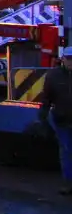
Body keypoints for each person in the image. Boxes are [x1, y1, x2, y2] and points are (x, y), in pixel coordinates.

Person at [37, 46, 72, 195]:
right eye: (69, 59)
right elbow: (47, 97)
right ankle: (68, 182)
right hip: (62, 119)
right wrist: (43, 114)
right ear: (63, 59)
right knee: (66, 151)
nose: (71, 62)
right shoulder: (53, 76)